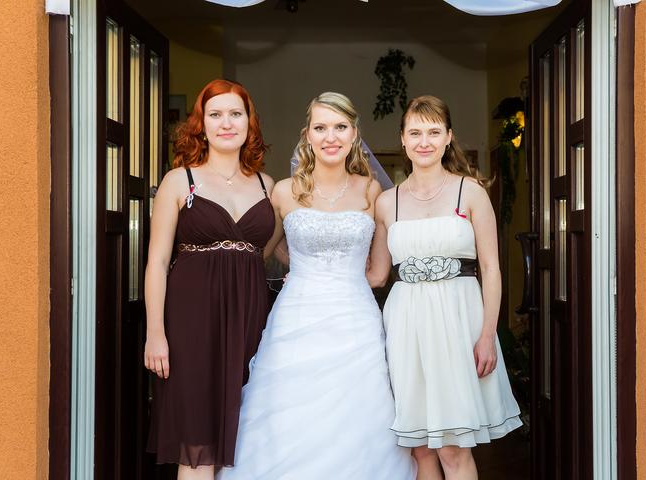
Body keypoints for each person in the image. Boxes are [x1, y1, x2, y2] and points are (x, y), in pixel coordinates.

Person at [217, 92, 416, 479]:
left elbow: (379, 273)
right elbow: (260, 253)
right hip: (296, 320)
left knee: (357, 417)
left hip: (355, 325)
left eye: (340, 127)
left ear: (354, 133)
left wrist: (337, 279)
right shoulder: (283, 191)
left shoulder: (372, 191)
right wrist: (303, 267)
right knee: (290, 416)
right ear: (307, 134)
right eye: (321, 127)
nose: (331, 137)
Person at [368, 95, 522, 480]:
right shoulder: (386, 203)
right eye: (415, 132)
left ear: (448, 137)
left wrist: (487, 336)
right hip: (406, 326)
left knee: (452, 448)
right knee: (420, 449)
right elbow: (377, 275)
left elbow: (491, 268)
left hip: (459, 323)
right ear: (402, 139)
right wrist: (311, 272)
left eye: (434, 132)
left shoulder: (471, 192)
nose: (424, 141)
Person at [144, 79, 280, 479]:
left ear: (249, 122)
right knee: (198, 445)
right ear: (201, 124)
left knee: (245, 435)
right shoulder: (179, 181)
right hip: (192, 323)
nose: (226, 123)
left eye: (236, 114)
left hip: (250, 321)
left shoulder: (268, 186)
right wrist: (155, 333)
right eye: (216, 114)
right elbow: (157, 262)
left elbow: (270, 252)